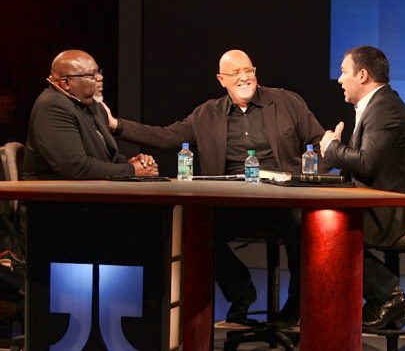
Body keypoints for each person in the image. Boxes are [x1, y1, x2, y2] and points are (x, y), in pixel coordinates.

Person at [106, 49, 326, 326]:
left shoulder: (286, 102)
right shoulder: (207, 114)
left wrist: (309, 178)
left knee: (305, 224)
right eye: (236, 74)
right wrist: (117, 126)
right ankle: (241, 290)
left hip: (285, 200)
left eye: (248, 71)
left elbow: (321, 143)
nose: (244, 78)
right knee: (195, 227)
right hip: (234, 203)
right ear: (222, 80)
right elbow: (166, 135)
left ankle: (297, 304)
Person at [319, 45, 405, 329]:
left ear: (363, 75)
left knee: (322, 228)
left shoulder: (384, 107)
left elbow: (367, 163)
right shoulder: (376, 105)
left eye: (344, 72)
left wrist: (333, 148)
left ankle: (386, 294)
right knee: (312, 219)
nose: (339, 79)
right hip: (383, 203)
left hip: (395, 212)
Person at [22, 50, 159, 180]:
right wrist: (131, 170)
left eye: (98, 72)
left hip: (92, 192)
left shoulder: (93, 106)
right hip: (58, 198)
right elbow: (75, 167)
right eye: (91, 75)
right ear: (65, 83)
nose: (100, 78)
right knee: (154, 202)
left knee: (159, 197)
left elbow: (107, 158)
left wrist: (135, 164)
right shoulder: (52, 106)